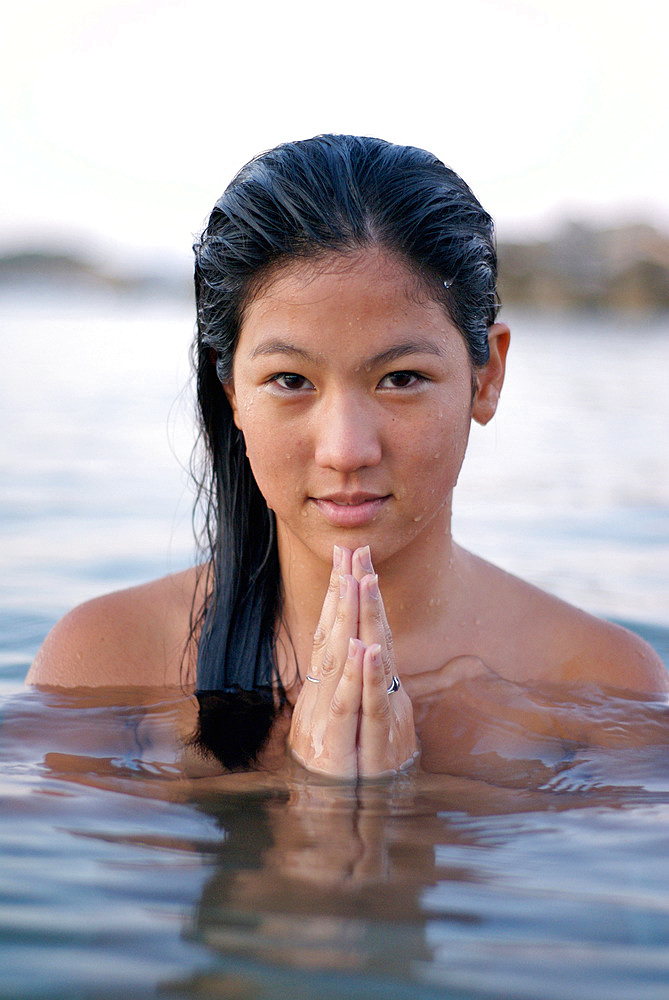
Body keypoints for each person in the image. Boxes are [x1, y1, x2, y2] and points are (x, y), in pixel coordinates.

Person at [27, 134, 668, 779]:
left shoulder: (604, 686)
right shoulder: (102, 665)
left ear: (487, 375)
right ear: (232, 396)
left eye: (401, 378)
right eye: (290, 381)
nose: (346, 451)